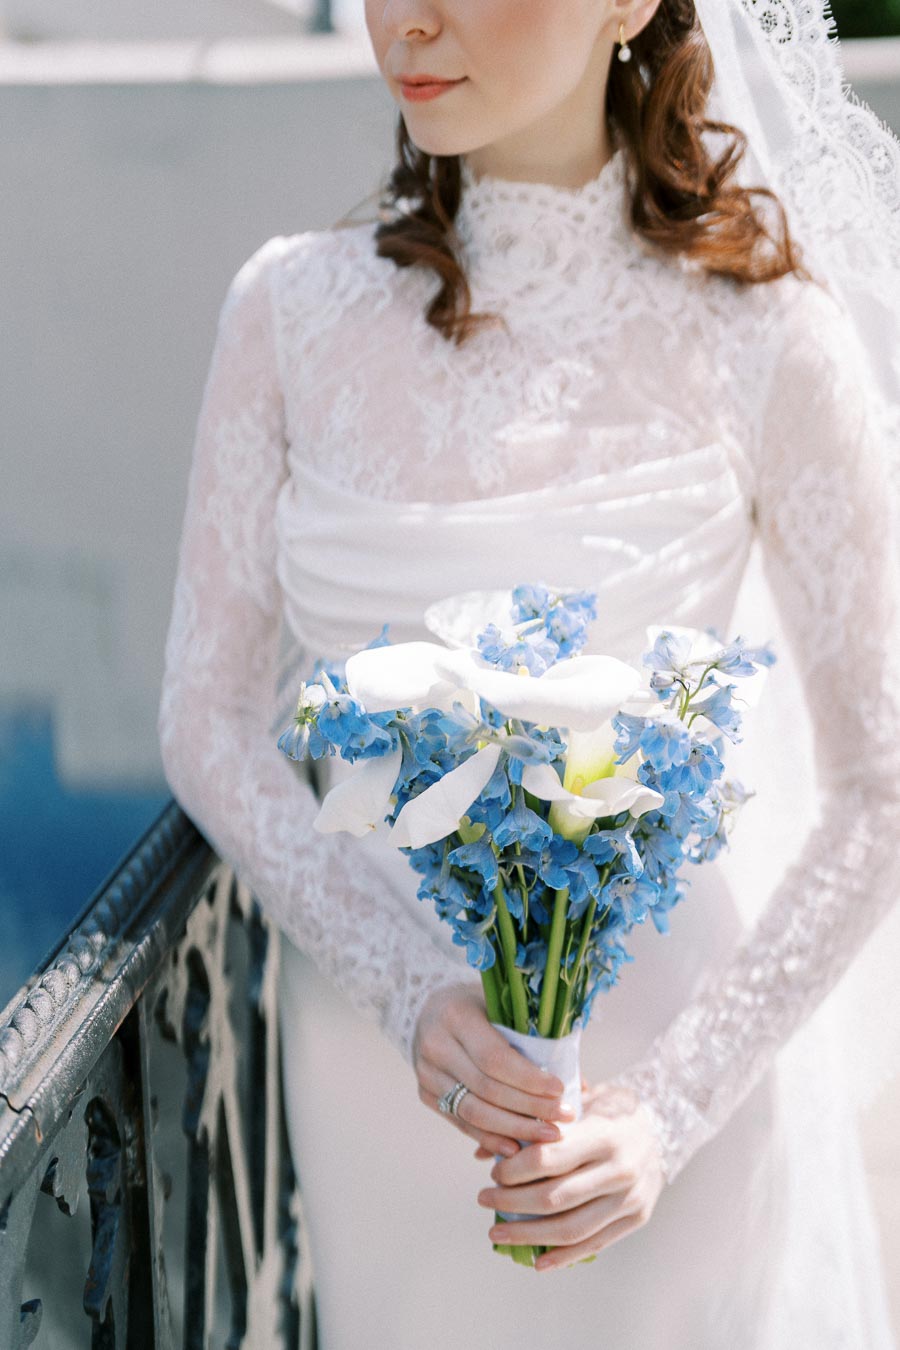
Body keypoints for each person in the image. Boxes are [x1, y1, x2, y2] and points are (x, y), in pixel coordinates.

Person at [158, 0, 900, 1344]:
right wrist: (406, 986)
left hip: (664, 1130)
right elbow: (207, 722)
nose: (411, 18)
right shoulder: (289, 314)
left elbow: (881, 787)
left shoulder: (768, 335)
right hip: (383, 1102)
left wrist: (669, 1113)